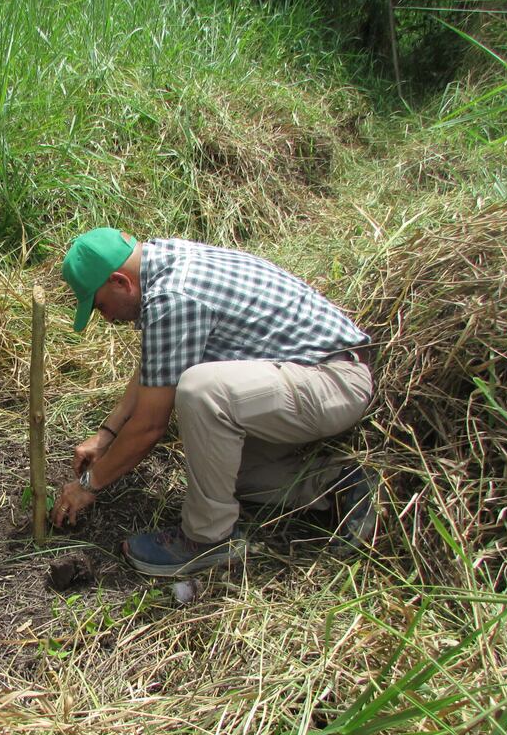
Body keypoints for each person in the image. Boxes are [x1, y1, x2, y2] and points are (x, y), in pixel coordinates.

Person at [49, 227, 376, 577]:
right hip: (304, 382)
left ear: (120, 282)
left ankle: (208, 539)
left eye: (100, 306)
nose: (108, 319)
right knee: (222, 472)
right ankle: (339, 482)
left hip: (331, 382)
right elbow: (158, 364)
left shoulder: (173, 294)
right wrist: (106, 435)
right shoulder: (164, 261)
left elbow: (149, 427)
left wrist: (88, 485)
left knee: (199, 390)